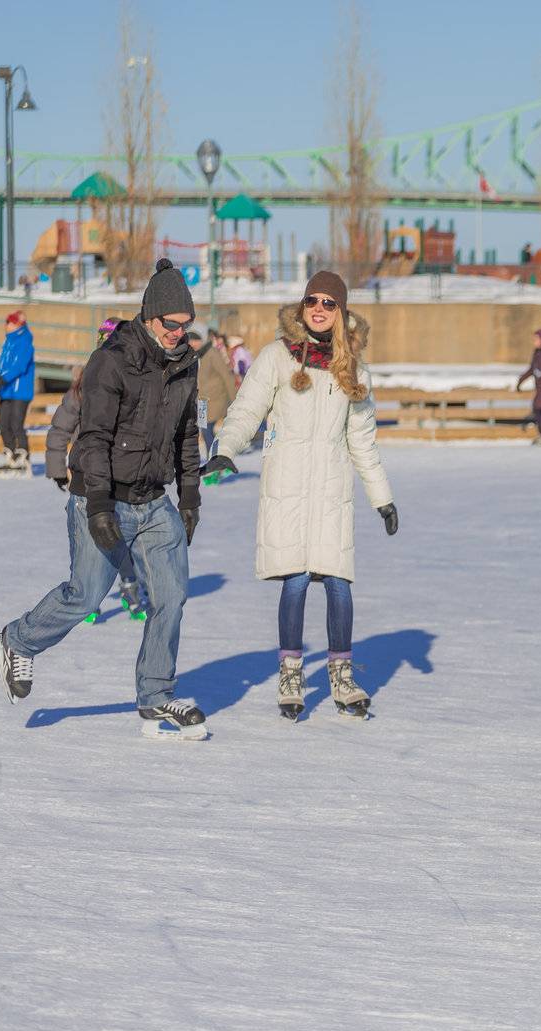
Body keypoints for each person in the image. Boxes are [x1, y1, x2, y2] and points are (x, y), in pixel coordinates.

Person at [0, 259, 204, 740]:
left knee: (171, 596)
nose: (178, 334)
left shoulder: (185, 363)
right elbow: (92, 438)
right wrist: (101, 505)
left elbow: (187, 433)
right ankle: (17, 639)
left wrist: (189, 494)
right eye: (171, 325)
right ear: (150, 316)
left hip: (153, 501)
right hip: (101, 494)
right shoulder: (112, 359)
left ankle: (155, 696)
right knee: (86, 594)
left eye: (185, 326)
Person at [204, 271, 398, 721]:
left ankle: (341, 676)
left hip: (331, 491)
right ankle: (291, 673)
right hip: (287, 488)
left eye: (330, 303)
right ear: (302, 304)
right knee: (293, 582)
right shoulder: (275, 357)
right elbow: (247, 409)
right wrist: (226, 448)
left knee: (338, 584)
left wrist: (381, 497)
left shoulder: (353, 369)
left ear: (341, 312)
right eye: (313, 299)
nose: (320, 308)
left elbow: (363, 440)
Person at [44, 367, 150, 621]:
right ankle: (85, 594)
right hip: (86, 477)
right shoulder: (82, 389)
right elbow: (60, 430)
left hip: (122, 476)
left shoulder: (132, 385)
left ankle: (129, 586)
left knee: (120, 535)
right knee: (85, 538)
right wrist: (58, 469)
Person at [0, 310, 36, 479]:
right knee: (3, 423)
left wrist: (2, 378)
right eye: (6, 321)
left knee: (16, 424)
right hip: (7, 390)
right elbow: (2, 363)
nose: (6, 324)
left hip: (20, 390)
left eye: (9, 322)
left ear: (18, 324)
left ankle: (24, 457)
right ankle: (10, 454)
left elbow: (20, 366)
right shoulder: (8, 341)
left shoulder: (25, 341)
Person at [191, 323, 239, 468]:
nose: (192, 343)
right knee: (206, 432)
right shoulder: (195, 355)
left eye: (196, 339)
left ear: (203, 339)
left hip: (215, 399)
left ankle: (214, 463)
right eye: (190, 339)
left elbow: (227, 376)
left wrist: (235, 400)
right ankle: (214, 461)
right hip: (202, 402)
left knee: (207, 431)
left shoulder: (212, 353)